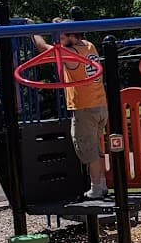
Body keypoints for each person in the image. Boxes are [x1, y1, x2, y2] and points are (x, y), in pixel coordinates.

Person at [32, 22, 109, 199]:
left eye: (62, 36)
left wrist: (33, 31)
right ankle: (102, 184)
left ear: (72, 37)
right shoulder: (89, 45)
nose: (59, 40)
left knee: (87, 148)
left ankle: (96, 188)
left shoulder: (70, 53)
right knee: (95, 147)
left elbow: (43, 48)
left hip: (85, 107)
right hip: (99, 104)